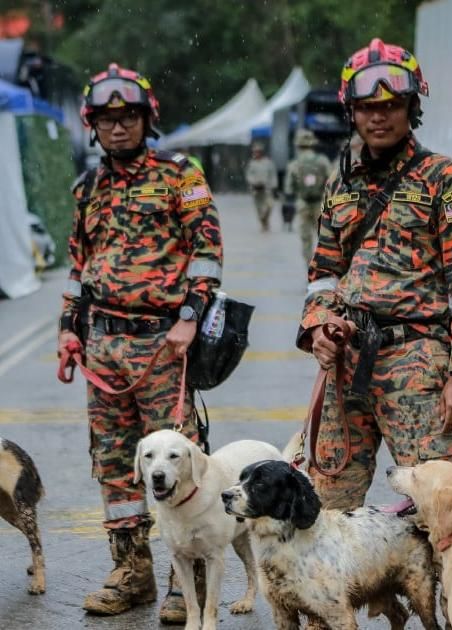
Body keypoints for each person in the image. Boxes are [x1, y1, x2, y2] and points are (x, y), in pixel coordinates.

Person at [56, 62, 223, 623]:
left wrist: (191, 317)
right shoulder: (87, 187)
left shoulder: (181, 174)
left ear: (146, 118)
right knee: (115, 467)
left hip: (163, 345)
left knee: (180, 463)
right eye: (107, 119)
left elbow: (207, 252)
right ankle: (132, 572)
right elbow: (81, 267)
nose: (119, 128)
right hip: (103, 345)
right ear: (93, 125)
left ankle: (188, 583)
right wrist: (67, 330)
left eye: (128, 117)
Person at [296, 38, 452, 510]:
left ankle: (445, 587)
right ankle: (357, 589)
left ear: (412, 106)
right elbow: (323, 274)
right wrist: (319, 326)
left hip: (418, 363)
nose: (378, 117)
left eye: (391, 105)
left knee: (440, 507)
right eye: (366, 107)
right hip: (346, 363)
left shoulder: (446, 178)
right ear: (351, 112)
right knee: (328, 506)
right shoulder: (339, 185)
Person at [284, 129, 332, 264]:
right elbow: (332, 181)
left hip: (303, 203)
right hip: (320, 203)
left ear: (298, 145)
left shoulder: (294, 164)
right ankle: (325, 265)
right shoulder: (322, 161)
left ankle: (309, 265)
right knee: (324, 236)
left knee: (305, 237)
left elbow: (289, 188)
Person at [245, 141, 277, 231]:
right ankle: (263, 223)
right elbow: (248, 175)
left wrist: (274, 185)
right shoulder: (252, 163)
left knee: (269, 205)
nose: (256, 153)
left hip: (266, 188)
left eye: (258, 152)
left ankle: (265, 219)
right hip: (256, 189)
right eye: (255, 152)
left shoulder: (268, 163)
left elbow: (272, 175)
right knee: (259, 208)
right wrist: (254, 182)